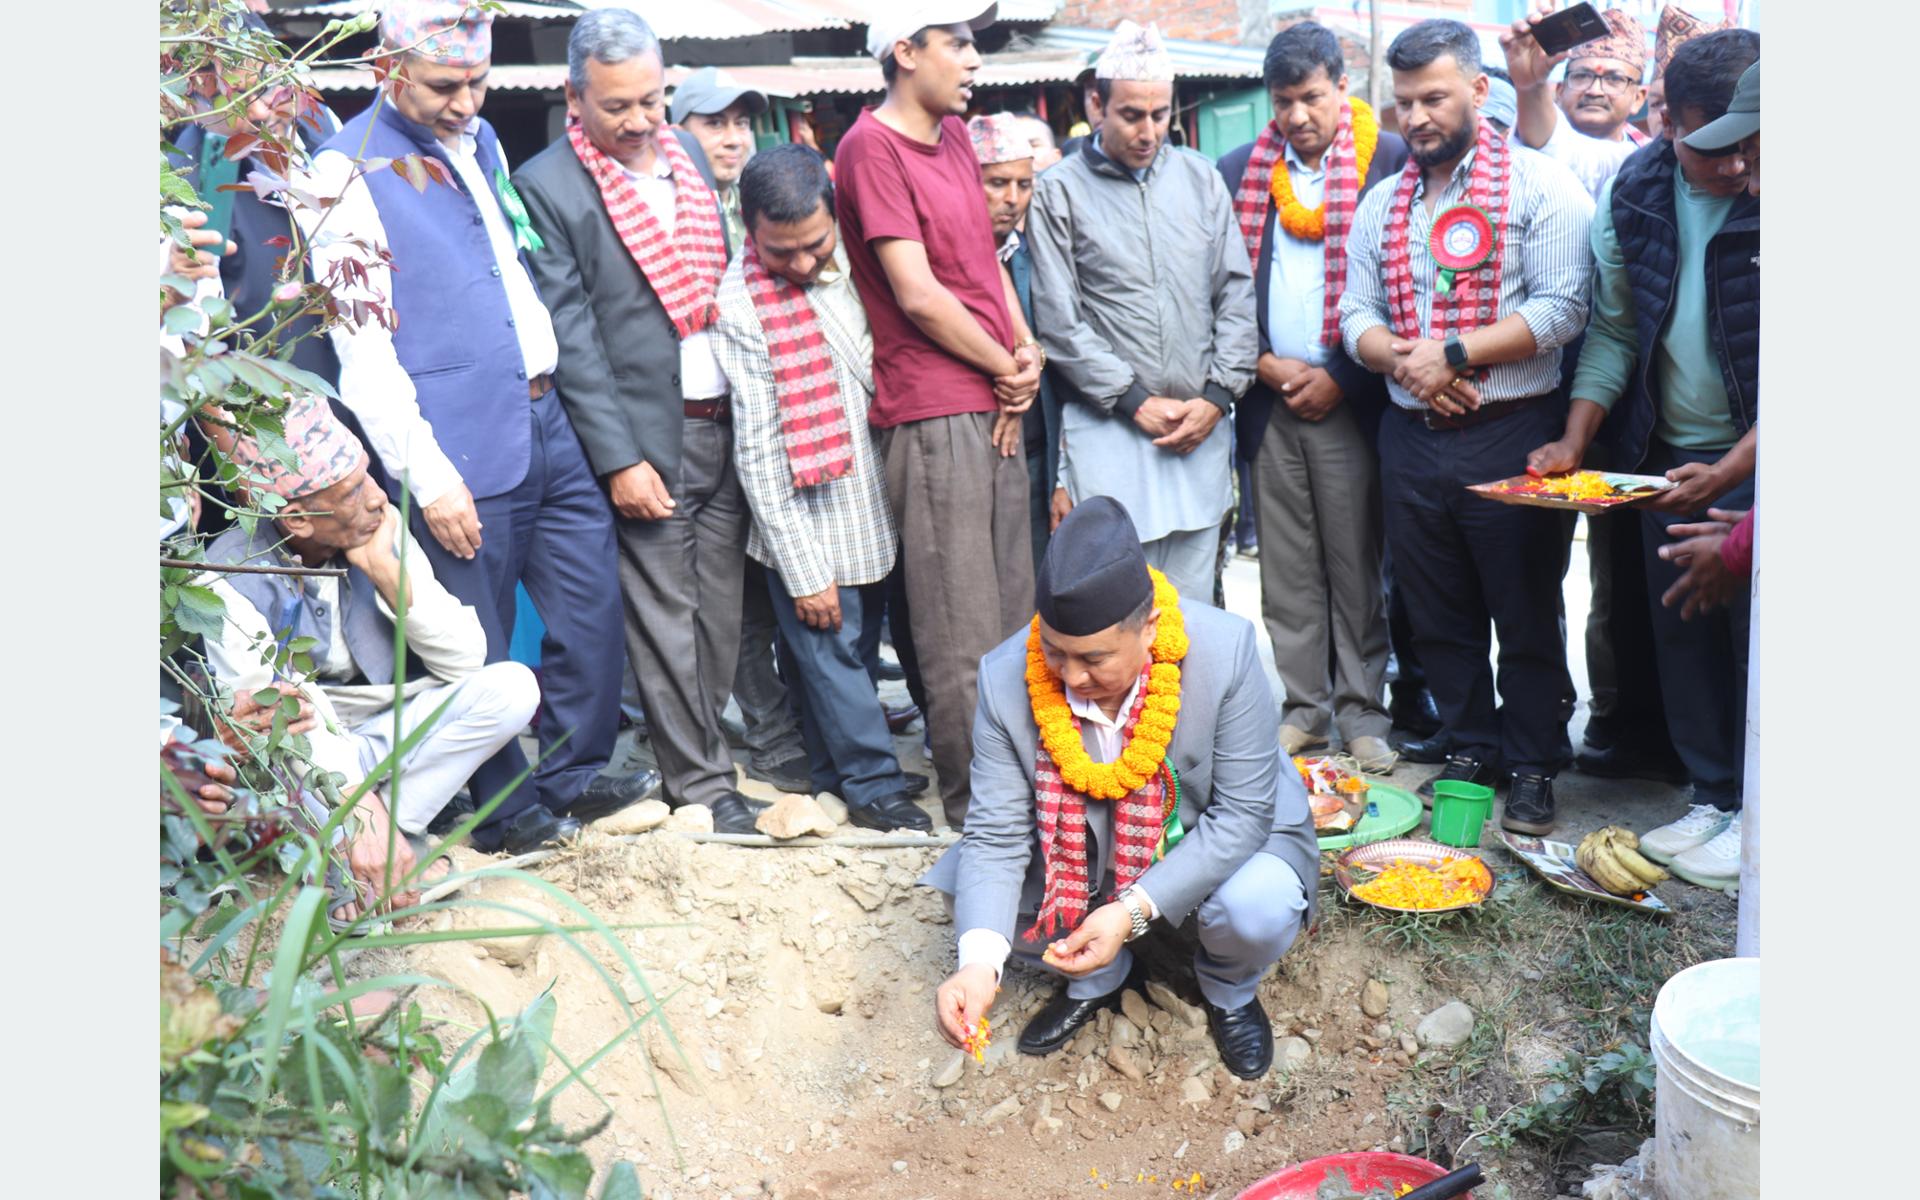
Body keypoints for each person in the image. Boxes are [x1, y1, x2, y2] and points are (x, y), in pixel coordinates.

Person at [302, 1, 641, 852]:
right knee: (475, 640)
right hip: (451, 436)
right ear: (388, 73)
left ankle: (571, 776)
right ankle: (501, 810)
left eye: (479, 83)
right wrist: (430, 475)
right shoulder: (339, 172)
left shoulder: (480, 139)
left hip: (541, 411)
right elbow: (363, 352)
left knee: (591, 606)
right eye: (445, 85)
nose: (466, 102)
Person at [924, 498, 1317, 1080]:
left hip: (1213, 836)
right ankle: (1098, 974)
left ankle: (1228, 990)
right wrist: (979, 967)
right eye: (1054, 652)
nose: (1072, 678)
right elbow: (996, 834)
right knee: (966, 891)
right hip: (1087, 851)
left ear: (1150, 627)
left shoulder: (1225, 652)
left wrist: (1129, 911)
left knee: (1258, 905)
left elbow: (1240, 816)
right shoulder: (1007, 676)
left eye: (1095, 658)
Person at [512, 8, 769, 834]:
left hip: (722, 415)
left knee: (719, 613)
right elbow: (573, 336)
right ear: (574, 96)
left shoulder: (688, 153)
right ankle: (702, 787)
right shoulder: (547, 185)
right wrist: (619, 459)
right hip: (645, 439)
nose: (639, 122)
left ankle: (704, 765)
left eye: (651, 102)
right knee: (665, 620)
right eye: (617, 106)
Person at [1339, 19, 1594, 835]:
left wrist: (1452, 353)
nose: (1415, 116)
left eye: (1433, 97)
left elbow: (1563, 307)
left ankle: (1532, 762)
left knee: (1521, 604)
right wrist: (1408, 362)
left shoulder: (1541, 185)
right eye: (1403, 101)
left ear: (1480, 92)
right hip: (1412, 437)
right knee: (1436, 607)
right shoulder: (1383, 203)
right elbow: (1354, 314)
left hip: (1512, 428)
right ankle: (1470, 743)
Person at [1526, 30, 1759, 890]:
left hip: (1760, 449)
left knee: (1757, 634)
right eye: (1711, 142)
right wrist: (1577, 437)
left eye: (1746, 143)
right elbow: (1617, 329)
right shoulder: (1639, 187)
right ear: (1666, 122)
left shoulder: (1776, 188)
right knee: (1682, 622)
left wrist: (1736, 471)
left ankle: (1759, 814)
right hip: (1671, 449)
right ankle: (1714, 795)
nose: (1733, 165)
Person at [201, 393, 550, 911]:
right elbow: (274, 727)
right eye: (352, 491)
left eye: (368, 475)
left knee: (514, 687)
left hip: (379, 734)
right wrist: (354, 805)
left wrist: (387, 572)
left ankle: (385, 838)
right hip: (293, 763)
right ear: (297, 519)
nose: (376, 498)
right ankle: (350, 848)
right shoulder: (227, 577)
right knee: (294, 703)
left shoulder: (375, 528)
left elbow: (465, 661)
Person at [834, 2, 1044, 830]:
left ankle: (1028, 793)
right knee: (959, 634)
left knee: (1014, 619)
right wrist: (1004, 369)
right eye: (959, 43)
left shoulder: (957, 135)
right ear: (905, 50)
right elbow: (919, 295)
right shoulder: (868, 149)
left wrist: (1023, 353)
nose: (973, 59)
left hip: (994, 398)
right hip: (931, 409)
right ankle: (977, 808)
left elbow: (983, 270)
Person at [711, 145, 933, 833]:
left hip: (868, 501)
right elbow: (758, 454)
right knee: (831, 652)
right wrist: (804, 571)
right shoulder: (741, 304)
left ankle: (836, 772)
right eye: (782, 253)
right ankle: (873, 788)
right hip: (801, 522)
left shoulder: (854, 267)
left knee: (853, 658)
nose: (802, 265)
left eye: (814, 245)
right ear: (749, 230)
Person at [1216, 21, 1410, 770]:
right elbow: (1225, 290)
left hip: (1349, 396)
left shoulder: (1386, 160)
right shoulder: (1241, 168)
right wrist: (1261, 366)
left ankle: (1364, 713)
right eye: (1284, 101)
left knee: (1356, 564)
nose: (1298, 116)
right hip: (1269, 399)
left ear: (1342, 88)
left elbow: (1402, 289)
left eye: (1311, 97)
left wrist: (1344, 375)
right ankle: (1304, 710)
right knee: (1287, 570)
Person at [1503, 5, 1685, 786]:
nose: (1597, 86)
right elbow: (1540, 127)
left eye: (1614, 76)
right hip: (1553, 385)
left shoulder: (1659, 158)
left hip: (1642, 396)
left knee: (1632, 567)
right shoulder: (1552, 151)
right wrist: (1534, 83)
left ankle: (1644, 724)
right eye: (1584, 73)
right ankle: (1585, 717)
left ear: (1644, 94)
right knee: (1541, 564)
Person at [1027, 20, 1257, 604]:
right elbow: (1059, 320)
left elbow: (1234, 295)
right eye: (1132, 114)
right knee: (1118, 605)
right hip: (1111, 430)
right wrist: (1135, 402)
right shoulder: (1059, 191)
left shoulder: (1201, 179)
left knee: (1194, 607)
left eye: (1160, 114)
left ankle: (1190, 702)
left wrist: (1216, 398)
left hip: (1197, 429)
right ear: (1096, 103)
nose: (1149, 131)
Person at [668, 64, 815, 798]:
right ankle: (760, 735)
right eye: (711, 122)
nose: (730, 137)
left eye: (739, 122)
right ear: (678, 130)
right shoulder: (673, 207)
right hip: (699, 428)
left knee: (777, 583)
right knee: (727, 597)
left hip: (773, 422)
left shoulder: (759, 204)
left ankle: (788, 726)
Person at [968, 113, 1062, 576]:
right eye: (997, 182)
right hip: (975, 445)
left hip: (1037, 443)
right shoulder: (945, 255)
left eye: (1024, 184)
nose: (1012, 199)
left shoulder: (1033, 249)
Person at [1504, 6, 1649, 202]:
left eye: (1613, 79)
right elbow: (1557, 147)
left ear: (1638, 98)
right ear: (1560, 91)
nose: (1595, 90)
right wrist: (1530, 86)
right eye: (1582, 76)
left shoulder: (1649, 159)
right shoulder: (1529, 128)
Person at [669, 67, 768, 249]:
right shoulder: (667, 218)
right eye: (715, 123)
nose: (734, 140)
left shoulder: (759, 210)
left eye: (741, 123)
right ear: (678, 136)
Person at [1647, 4, 1727, 139]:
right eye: (1656, 103)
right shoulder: (1637, 160)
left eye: (1680, 102)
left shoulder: (1741, 159)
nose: (1665, 114)